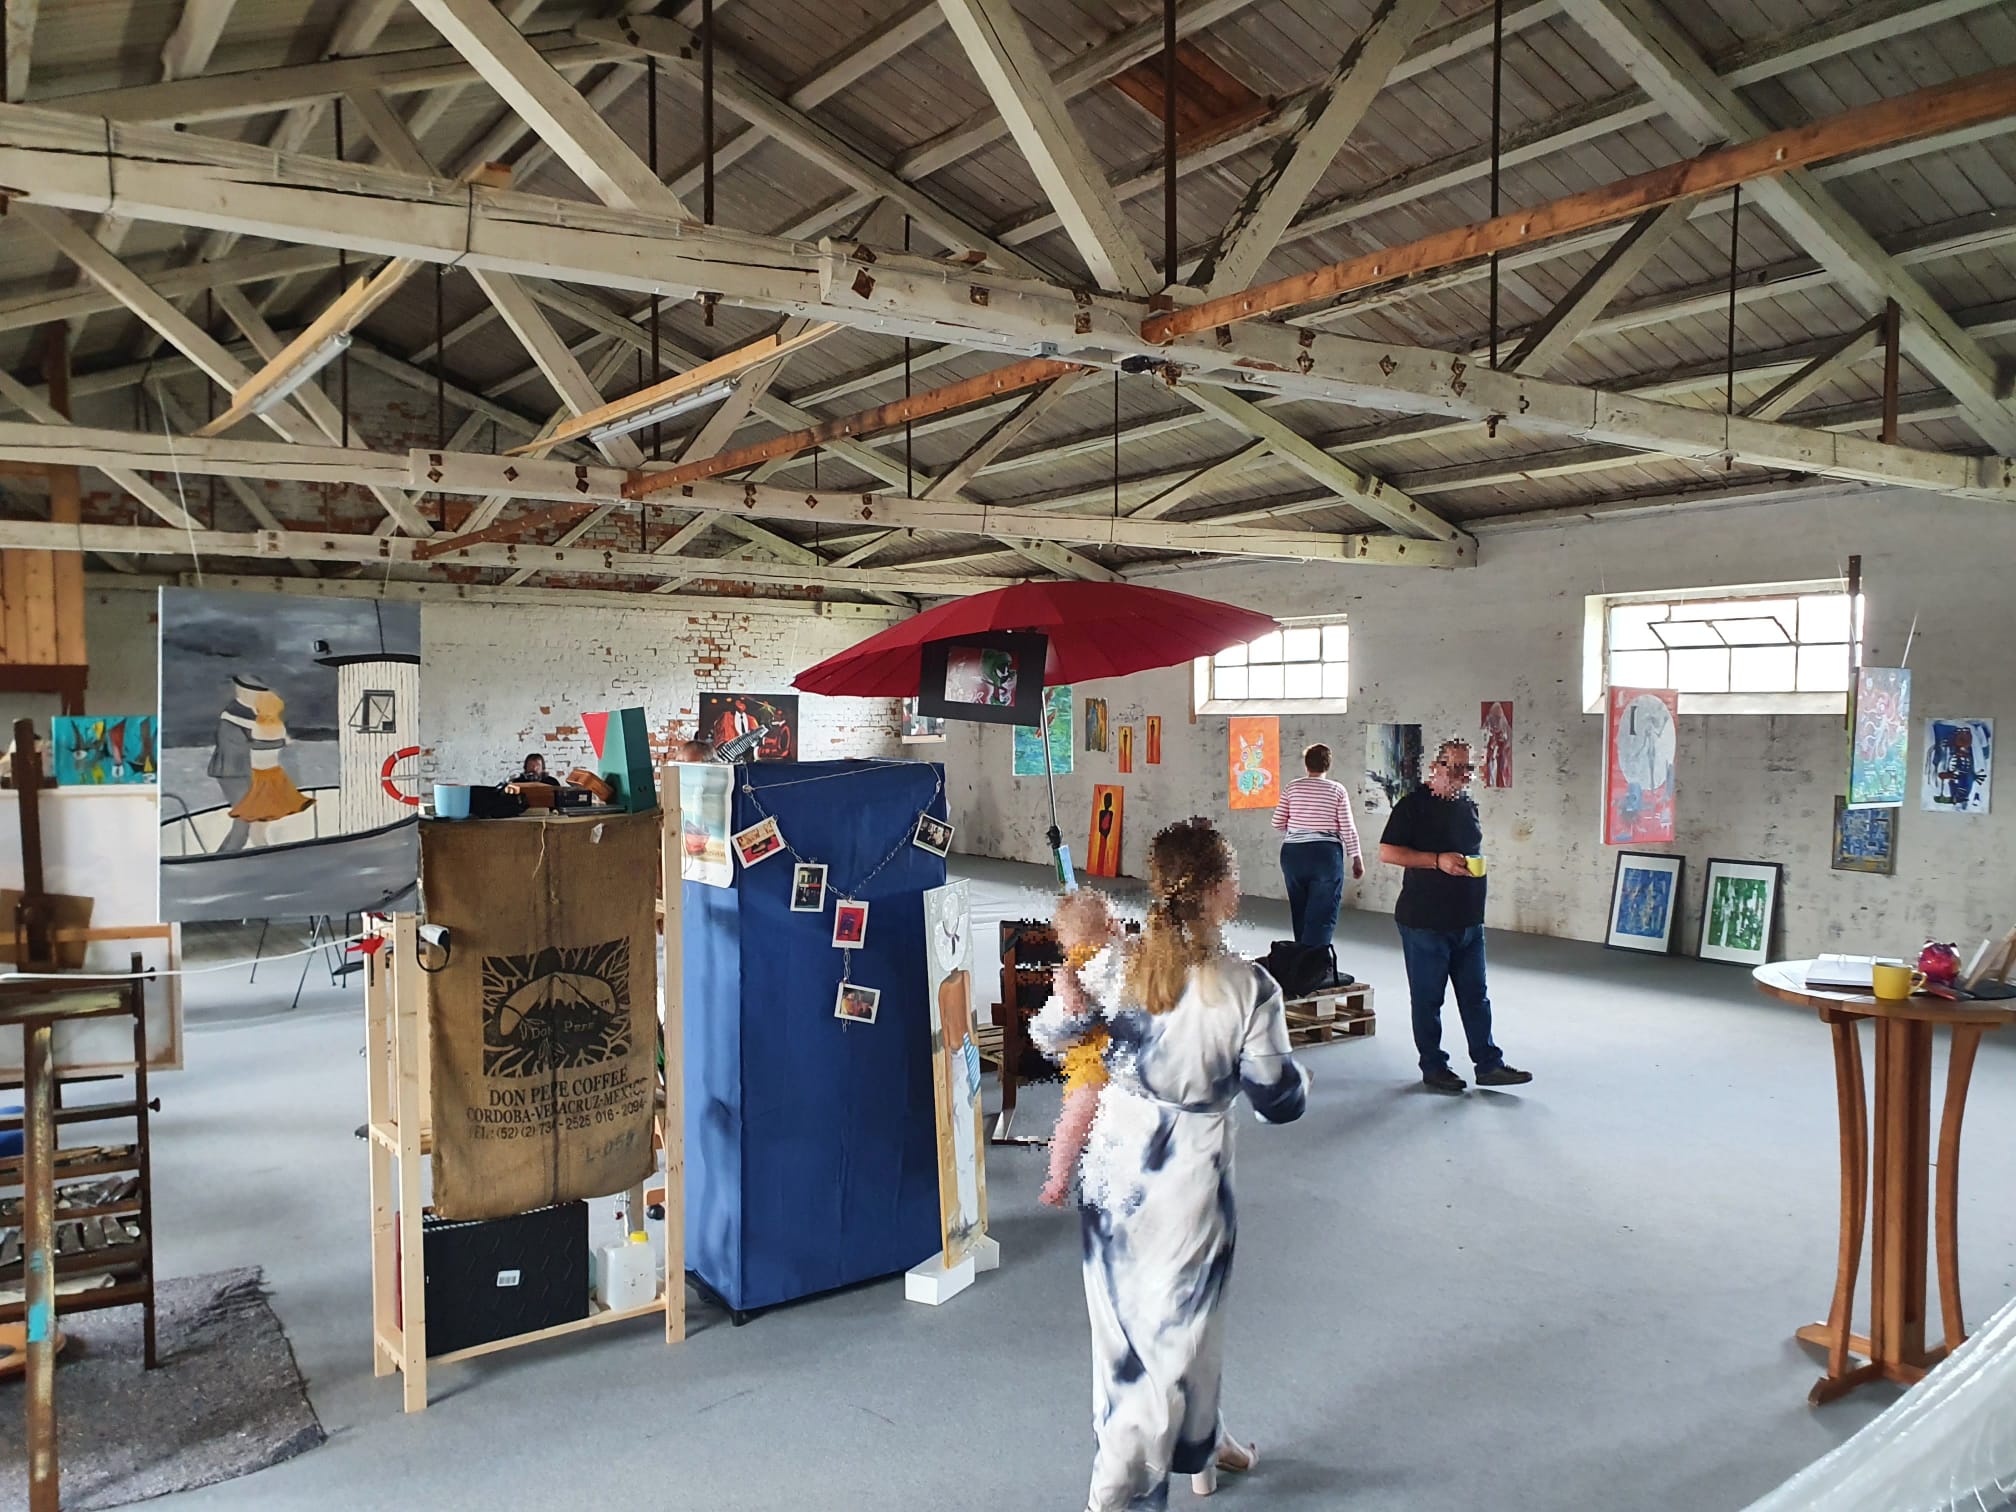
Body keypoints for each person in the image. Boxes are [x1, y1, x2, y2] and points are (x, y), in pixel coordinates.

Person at [1033, 817, 1308, 1508]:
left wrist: (1068, 990)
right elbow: (1279, 1100)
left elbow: (1054, 1035)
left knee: (1134, 1332)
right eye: (1233, 876)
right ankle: (1119, 1489)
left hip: (1113, 1168)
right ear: (1219, 892)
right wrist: (1293, 1073)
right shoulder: (1249, 987)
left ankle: (1203, 1442)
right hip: (1186, 1176)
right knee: (1171, 1333)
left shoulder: (1117, 962)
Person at [1377, 737, 1532, 1094]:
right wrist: (1437, 860)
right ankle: (1433, 1066)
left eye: (1468, 768)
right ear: (1436, 767)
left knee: (1476, 996)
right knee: (1429, 999)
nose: (1463, 775)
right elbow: (1388, 852)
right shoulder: (1412, 806)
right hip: (1425, 920)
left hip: (1468, 919)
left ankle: (1488, 1064)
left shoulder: (1467, 805)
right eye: (1456, 767)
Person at [1037, 887, 1118, 1208]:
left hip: (1105, 1056)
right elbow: (1065, 982)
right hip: (1099, 1058)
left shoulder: (1100, 958)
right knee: (1078, 1120)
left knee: (1076, 1123)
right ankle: (1059, 1178)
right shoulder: (1084, 964)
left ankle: (1059, 1179)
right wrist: (1072, 996)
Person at [1271, 742, 1363, 950]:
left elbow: (1277, 822)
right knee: (1323, 912)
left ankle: (1300, 959)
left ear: (1306, 764)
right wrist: (1356, 857)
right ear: (1328, 765)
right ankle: (1316, 961)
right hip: (1325, 855)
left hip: (1293, 854)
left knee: (1300, 909)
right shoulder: (1337, 790)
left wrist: (1297, 827)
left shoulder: (1292, 787)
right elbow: (1347, 827)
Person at [225, 690, 315, 845]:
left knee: (257, 824)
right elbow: (286, 742)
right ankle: (263, 846)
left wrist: (227, 716)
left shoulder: (256, 726)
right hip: (276, 775)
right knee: (260, 823)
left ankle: (263, 849)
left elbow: (240, 722)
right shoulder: (279, 727)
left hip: (262, 778)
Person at [210, 674, 267, 852]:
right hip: (231, 773)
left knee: (251, 816)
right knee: (244, 818)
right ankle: (227, 857)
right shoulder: (233, 715)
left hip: (243, 772)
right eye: (254, 692)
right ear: (241, 691)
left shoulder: (248, 712)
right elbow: (249, 744)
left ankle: (226, 855)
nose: (257, 697)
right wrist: (279, 741)